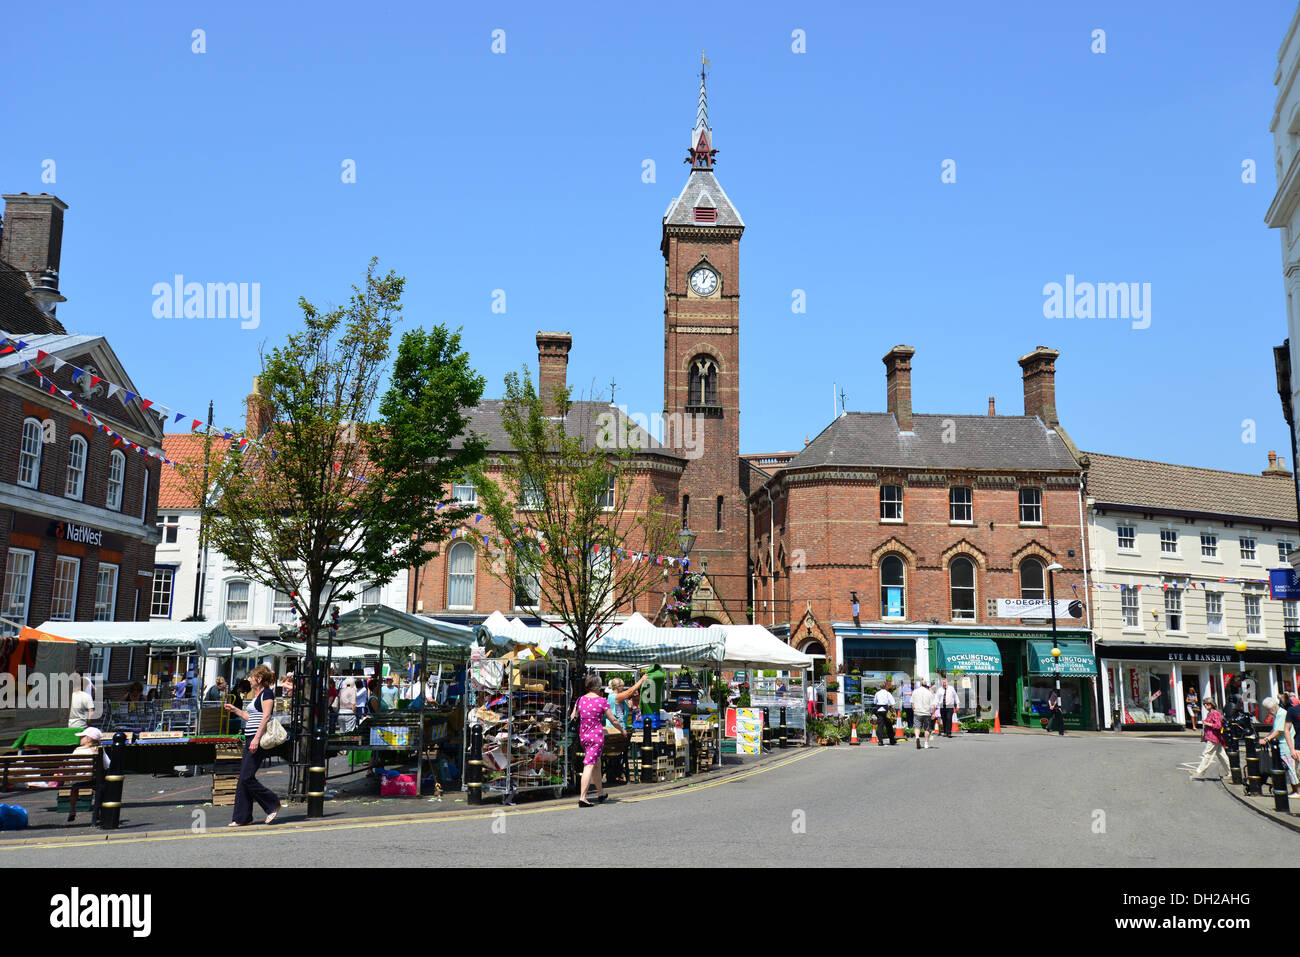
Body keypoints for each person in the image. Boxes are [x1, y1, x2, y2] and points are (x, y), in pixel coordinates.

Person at [222, 664, 282, 827]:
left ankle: (272, 803)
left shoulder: (267, 693)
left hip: (257, 738)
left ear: (259, 679)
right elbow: (252, 717)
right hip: (250, 737)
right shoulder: (258, 695)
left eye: (251, 677)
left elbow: (266, 716)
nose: (249, 679)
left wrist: (256, 738)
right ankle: (243, 817)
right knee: (243, 778)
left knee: (247, 777)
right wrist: (236, 710)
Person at [570, 674, 625, 807]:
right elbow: (613, 719)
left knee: (597, 763)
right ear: (598, 686)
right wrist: (622, 730)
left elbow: (573, 717)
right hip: (596, 737)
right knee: (589, 765)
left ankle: (600, 793)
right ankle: (583, 797)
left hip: (584, 736)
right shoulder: (602, 701)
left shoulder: (580, 700)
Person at [1261, 696, 1299, 796]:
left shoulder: (1282, 714)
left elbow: (1279, 730)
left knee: (1291, 770)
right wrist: (1267, 737)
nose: (1268, 712)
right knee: (1287, 770)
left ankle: (1298, 791)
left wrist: (1266, 739)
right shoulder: (1279, 714)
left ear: (1272, 708)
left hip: (1286, 746)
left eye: (1268, 710)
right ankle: (1294, 790)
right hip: (1282, 747)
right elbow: (1274, 730)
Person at [72, 727, 109, 826]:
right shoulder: (100, 750)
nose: (80, 739)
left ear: (88, 739)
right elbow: (107, 765)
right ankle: (98, 814)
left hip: (79, 781)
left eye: (83, 737)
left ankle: (72, 809)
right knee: (100, 787)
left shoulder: (77, 751)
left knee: (74, 787)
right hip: (95, 780)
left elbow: (71, 766)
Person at [1190, 697, 1230, 780]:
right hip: (1214, 737)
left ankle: (1199, 771)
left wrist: (1207, 723)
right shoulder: (1210, 713)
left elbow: (1218, 726)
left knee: (1207, 754)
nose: (1205, 705)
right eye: (1204, 704)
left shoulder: (1215, 713)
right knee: (1222, 755)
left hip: (1214, 737)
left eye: (1207, 704)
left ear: (1212, 704)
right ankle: (1230, 773)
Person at [911, 679, 935, 749]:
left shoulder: (915, 691)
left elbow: (912, 703)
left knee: (917, 726)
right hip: (926, 713)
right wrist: (933, 713)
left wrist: (914, 710)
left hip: (917, 712)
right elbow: (933, 705)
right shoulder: (929, 693)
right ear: (927, 685)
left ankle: (917, 737)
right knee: (927, 728)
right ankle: (926, 743)